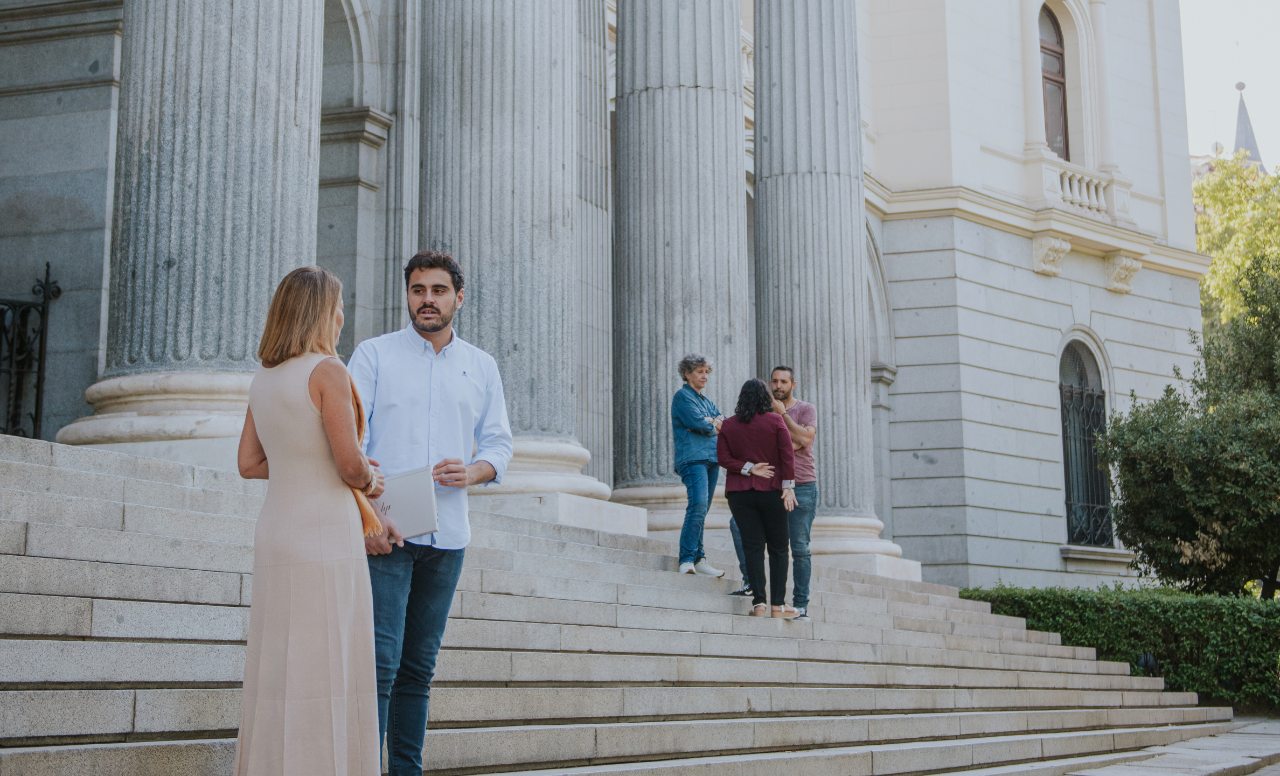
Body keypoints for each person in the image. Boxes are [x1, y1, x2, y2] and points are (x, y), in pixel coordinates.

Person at [347, 250, 513, 776]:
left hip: (448, 539)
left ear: (458, 298)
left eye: (438, 291)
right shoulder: (373, 355)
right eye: (418, 290)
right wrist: (367, 518)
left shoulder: (482, 365)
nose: (427, 300)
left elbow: (499, 446)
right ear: (408, 295)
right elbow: (350, 441)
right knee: (380, 665)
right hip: (387, 532)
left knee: (418, 668)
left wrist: (474, 471)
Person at [234, 266, 382, 775]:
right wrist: (371, 479)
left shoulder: (264, 378)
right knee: (326, 663)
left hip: (277, 530)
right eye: (338, 306)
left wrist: (302, 460)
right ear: (322, 311)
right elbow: (349, 464)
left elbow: (249, 463)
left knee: (280, 666)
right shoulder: (328, 372)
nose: (342, 316)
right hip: (323, 533)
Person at [716, 378, 797, 617]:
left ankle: (759, 604)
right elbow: (787, 455)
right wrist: (789, 486)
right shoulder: (775, 421)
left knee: (752, 547)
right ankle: (778, 605)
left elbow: (722, 457)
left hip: (740, 494)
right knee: (779, 548)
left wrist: (747, 468)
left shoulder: (729, 425)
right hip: (772, 491)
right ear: (766, 398)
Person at [770, 366, 819, 622]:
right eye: (775, 381)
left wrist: (784, 418)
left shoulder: (805, 409)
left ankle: (801, 604)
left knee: (799, 547)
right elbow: (779, 444)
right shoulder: (765, 410)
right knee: (741, 528)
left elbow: (806, 440)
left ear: (793, 384)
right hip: (773, 486)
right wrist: (794, 438)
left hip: (802, 484)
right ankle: (754, 587)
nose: (778, 386)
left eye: (784, 381)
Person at [671, 354, 726, 577]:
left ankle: (699, 558)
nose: (704, 376)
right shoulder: (682, 397)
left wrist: (712, 423)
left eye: (706, 372)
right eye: (699, 371)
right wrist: (712, 423)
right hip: (692, 458)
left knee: (703, 509)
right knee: (698, 505)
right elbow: (698, 423)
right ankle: (686, 558)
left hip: (712, 459)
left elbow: (723, 421)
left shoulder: (706, 400)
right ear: (687, 373)